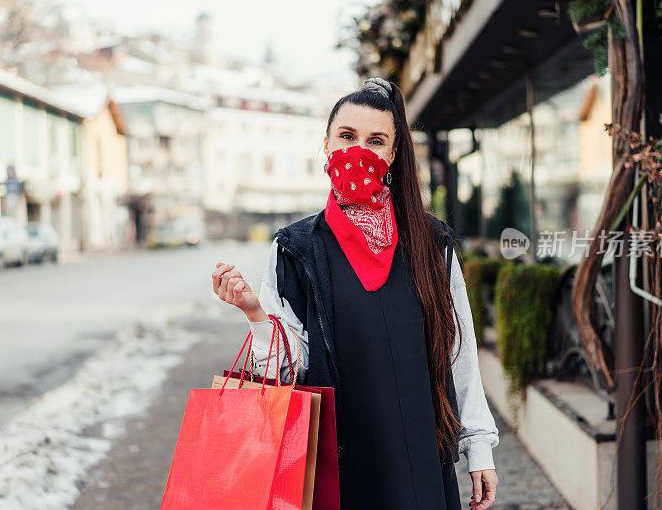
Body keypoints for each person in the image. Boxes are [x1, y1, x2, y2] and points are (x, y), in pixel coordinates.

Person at [211, 78, 499, 509]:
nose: (359, 150)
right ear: (326, 145)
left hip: (420, 458)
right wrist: (255, 315)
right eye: (347, 136)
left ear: (392, 156)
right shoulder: (295, 249)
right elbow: (291, 368)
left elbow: (459, 353)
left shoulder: (431, 243)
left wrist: (478, 448)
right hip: (334, 466)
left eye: (376, 140)